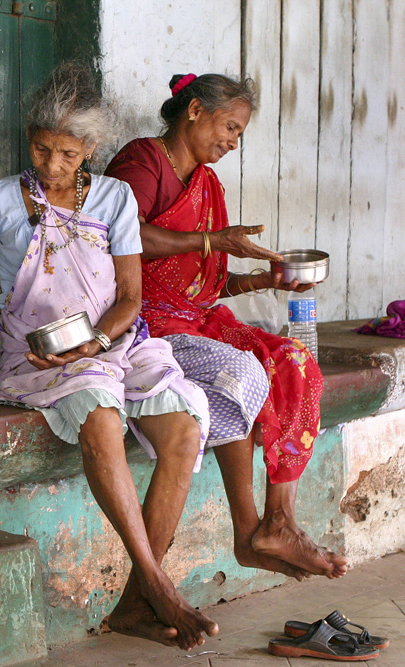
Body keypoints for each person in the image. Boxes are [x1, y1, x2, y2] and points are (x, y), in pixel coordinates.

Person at [0, 62, 218, 650]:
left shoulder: (114, 199)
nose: (51, 165)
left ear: (90, 148)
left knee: (185, 428)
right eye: (40, 149)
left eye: (66, 153)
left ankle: (138, 598)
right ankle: (159, 587)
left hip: (111, 341)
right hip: (37, 354)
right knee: (100, 411)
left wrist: (99, 341)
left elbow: (131, 299)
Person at [106, 73, 348, 581]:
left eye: (239, 134)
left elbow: (203, 286)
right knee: (238, 374)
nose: (233, 142)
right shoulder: (143, 161)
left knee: (295, 363)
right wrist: (213, 241)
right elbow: (123, 238)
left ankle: (278, 520)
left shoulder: (207, 182)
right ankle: (247, 531)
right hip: (145, 324)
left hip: (197, 320)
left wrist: (262, 279)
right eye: (230, 127)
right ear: (194, 111)